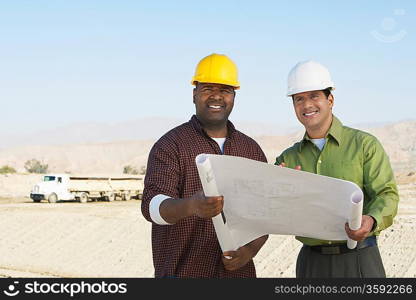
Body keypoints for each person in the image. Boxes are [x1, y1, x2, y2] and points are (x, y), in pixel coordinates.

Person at [141, 53, 268, 278]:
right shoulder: (171, 145)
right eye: (208, 88)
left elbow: (264, 214)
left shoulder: (251, 150)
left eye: (225, 90)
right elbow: (152, 206)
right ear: (194, 94)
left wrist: (249, 250)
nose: (216, 96)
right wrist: (191, 206)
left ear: (234, 96)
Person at [275, 60, 399, 278]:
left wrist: (370, 220)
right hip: (311, 264)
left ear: (330, 100)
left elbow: (386, 195)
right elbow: (272, 206)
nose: (306, 105)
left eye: (314, 96)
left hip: (360, 260)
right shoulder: (287, 159)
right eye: (299, 99)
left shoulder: (364, 145)